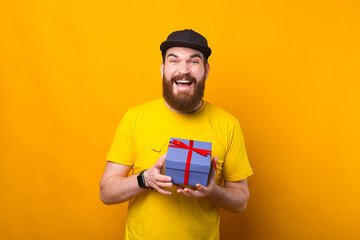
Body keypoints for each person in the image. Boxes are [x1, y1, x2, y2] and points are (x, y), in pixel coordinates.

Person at [100, 29, 253, 240]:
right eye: (174, 61)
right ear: (163, 69)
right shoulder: (135, 118)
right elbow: (106, 193)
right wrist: (145, 179)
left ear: (206, 70)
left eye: (193, 61)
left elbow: (241, 200)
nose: (184, 70)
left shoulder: (228, 124)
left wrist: (213, 190)